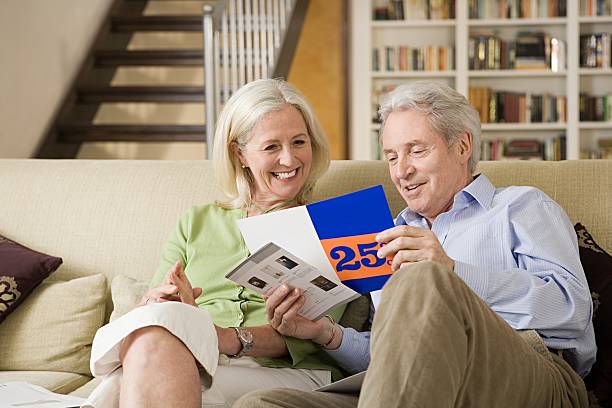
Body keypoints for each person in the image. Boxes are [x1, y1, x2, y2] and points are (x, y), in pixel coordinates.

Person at [234, 81, 596, 408]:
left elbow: (572, 310)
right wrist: (321, 332)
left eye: (416, 151)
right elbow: (388, 357)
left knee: (424, 280)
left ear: (462, 146)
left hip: (533, 373)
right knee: (262, 404)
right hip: (419, 383)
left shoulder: (521, 206)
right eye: (392, 156)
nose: (401, 171)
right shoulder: (390, 233)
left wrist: (451, 272)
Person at [88, 79, 348, 408]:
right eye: (271, 147)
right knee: (149, 344)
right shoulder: (196, 222)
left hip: (287, 371)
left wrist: (226, 338)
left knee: (127, 385)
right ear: (239, 153)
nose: (289, 159)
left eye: (299, 142)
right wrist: (161, 302)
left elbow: (316, 337)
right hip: (190, 355)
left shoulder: (331, 226)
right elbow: (154, 312)